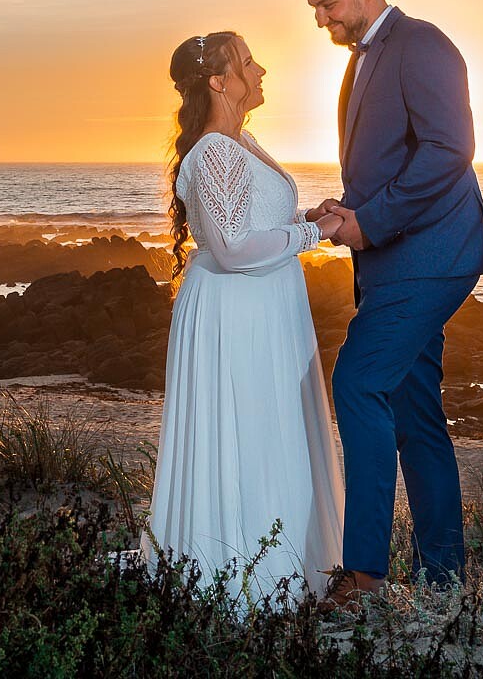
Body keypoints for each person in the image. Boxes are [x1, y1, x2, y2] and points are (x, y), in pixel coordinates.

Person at [301, 0, 483, 605]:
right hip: (396, 259)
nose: (322, 18)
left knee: (357, 381)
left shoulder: (421, 44)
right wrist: (348, 212)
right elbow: (389, 162)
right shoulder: (363, 59)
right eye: (315, 9)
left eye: (328, 4)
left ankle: (363, 575)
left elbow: (450, 150)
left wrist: (372, 222)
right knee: (415, 414)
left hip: (430, 257)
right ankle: (443, 579)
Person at [143, 30, 346, 605]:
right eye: (248, 63)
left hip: (265, 303)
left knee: (272, 426)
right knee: (249, 427)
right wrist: (316, 234)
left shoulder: (243, 141)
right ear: (218, 81)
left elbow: (248, 222)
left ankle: (285, 566)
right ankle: (246, 579)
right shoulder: (215, 151)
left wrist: (307, 216)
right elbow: (232, 248)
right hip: (238, 311)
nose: (261, 71)